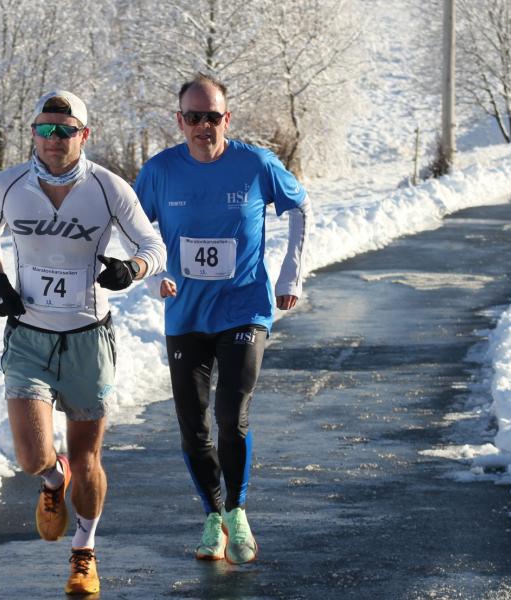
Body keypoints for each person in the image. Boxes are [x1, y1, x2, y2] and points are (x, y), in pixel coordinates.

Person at [0, 90, 165, 594]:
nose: (53, 139)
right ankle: (52, 483)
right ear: (33, 132)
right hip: (30, 337)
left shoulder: (108, 188)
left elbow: (154, 247)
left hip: (87, 339)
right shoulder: (8, 184)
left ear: (84, 134)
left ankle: (84, 551)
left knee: (88, 461)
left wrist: (132, 268)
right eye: (44, 128)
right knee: (34, 458)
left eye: (65, 129)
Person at [133, 73, 310, 565]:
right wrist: (151, 273)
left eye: (213, 116)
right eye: (194, 117)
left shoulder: (256, 164)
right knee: (193, 424)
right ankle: (213, 516)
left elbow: (300, 206)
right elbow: (128, 223)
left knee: (232, 416)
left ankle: (237, 510)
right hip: (186, 313)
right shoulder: (160, 171)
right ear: (180, 121)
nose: (203, 126)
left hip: (244, 309)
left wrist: (291, 276)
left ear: (226, 119)